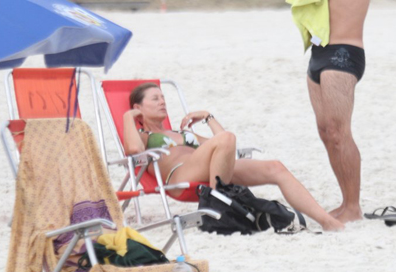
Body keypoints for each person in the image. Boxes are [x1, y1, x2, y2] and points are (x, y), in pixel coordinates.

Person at [123, 82, 344, 232]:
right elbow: (132, 150)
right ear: (138, 107)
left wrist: (208, 117)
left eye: (163, 97)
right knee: (226, 138)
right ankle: (222, 205)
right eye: (155, 99)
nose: (162, 102)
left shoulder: (182, 133)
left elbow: (226, 146)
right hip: (180, 177)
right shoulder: (144, 136)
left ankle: (328, 222)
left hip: (209, 172)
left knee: (275, 167)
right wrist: (128, 116)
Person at [283, 0, 373, 223]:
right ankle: (345, 202)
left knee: (339, 130)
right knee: (326, 131)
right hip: (319, 54)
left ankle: (353, 206)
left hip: (344, 52)